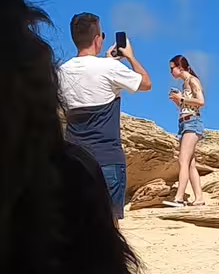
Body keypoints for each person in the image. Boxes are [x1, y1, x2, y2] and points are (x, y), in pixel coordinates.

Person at [57, 13, 150, 219]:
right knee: (109, 229)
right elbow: (146, 83)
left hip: (73, 160)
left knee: (76, 222)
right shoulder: (110, 68)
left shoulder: (61, 72)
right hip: (107, 159)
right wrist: (131, 56)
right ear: (98, 39)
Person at [165, 54, 209, 206]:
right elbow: (189, 105)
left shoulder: (192, 80)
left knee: (183, 160)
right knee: (190, 163)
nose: (171, 72)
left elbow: (201, 101)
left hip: (192, 122)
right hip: (185, 122)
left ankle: (179, 198)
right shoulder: (185, 84)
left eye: (172, 68)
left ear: (180, 67)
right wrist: (178, 100)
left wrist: (182, 99)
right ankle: (199, 198)